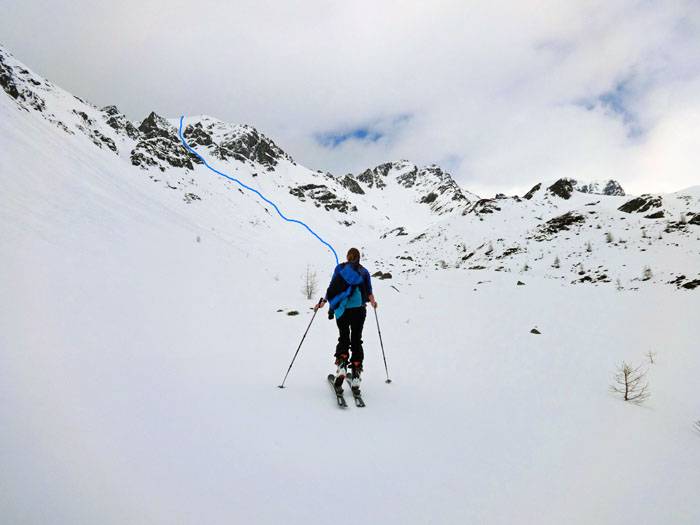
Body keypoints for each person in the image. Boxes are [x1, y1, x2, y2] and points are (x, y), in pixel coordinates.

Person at [314, 247, 377, 392]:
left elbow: (332, 288)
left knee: (343, 338)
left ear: (348, 256)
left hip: (342, 310)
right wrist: (373, 303)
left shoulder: (340, 268)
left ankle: (342, 366)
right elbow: (369, 292)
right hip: (359, 310)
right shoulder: (364, 271)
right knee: (356, 340)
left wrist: (323, 302)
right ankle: (355, 375)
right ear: (358, 258)